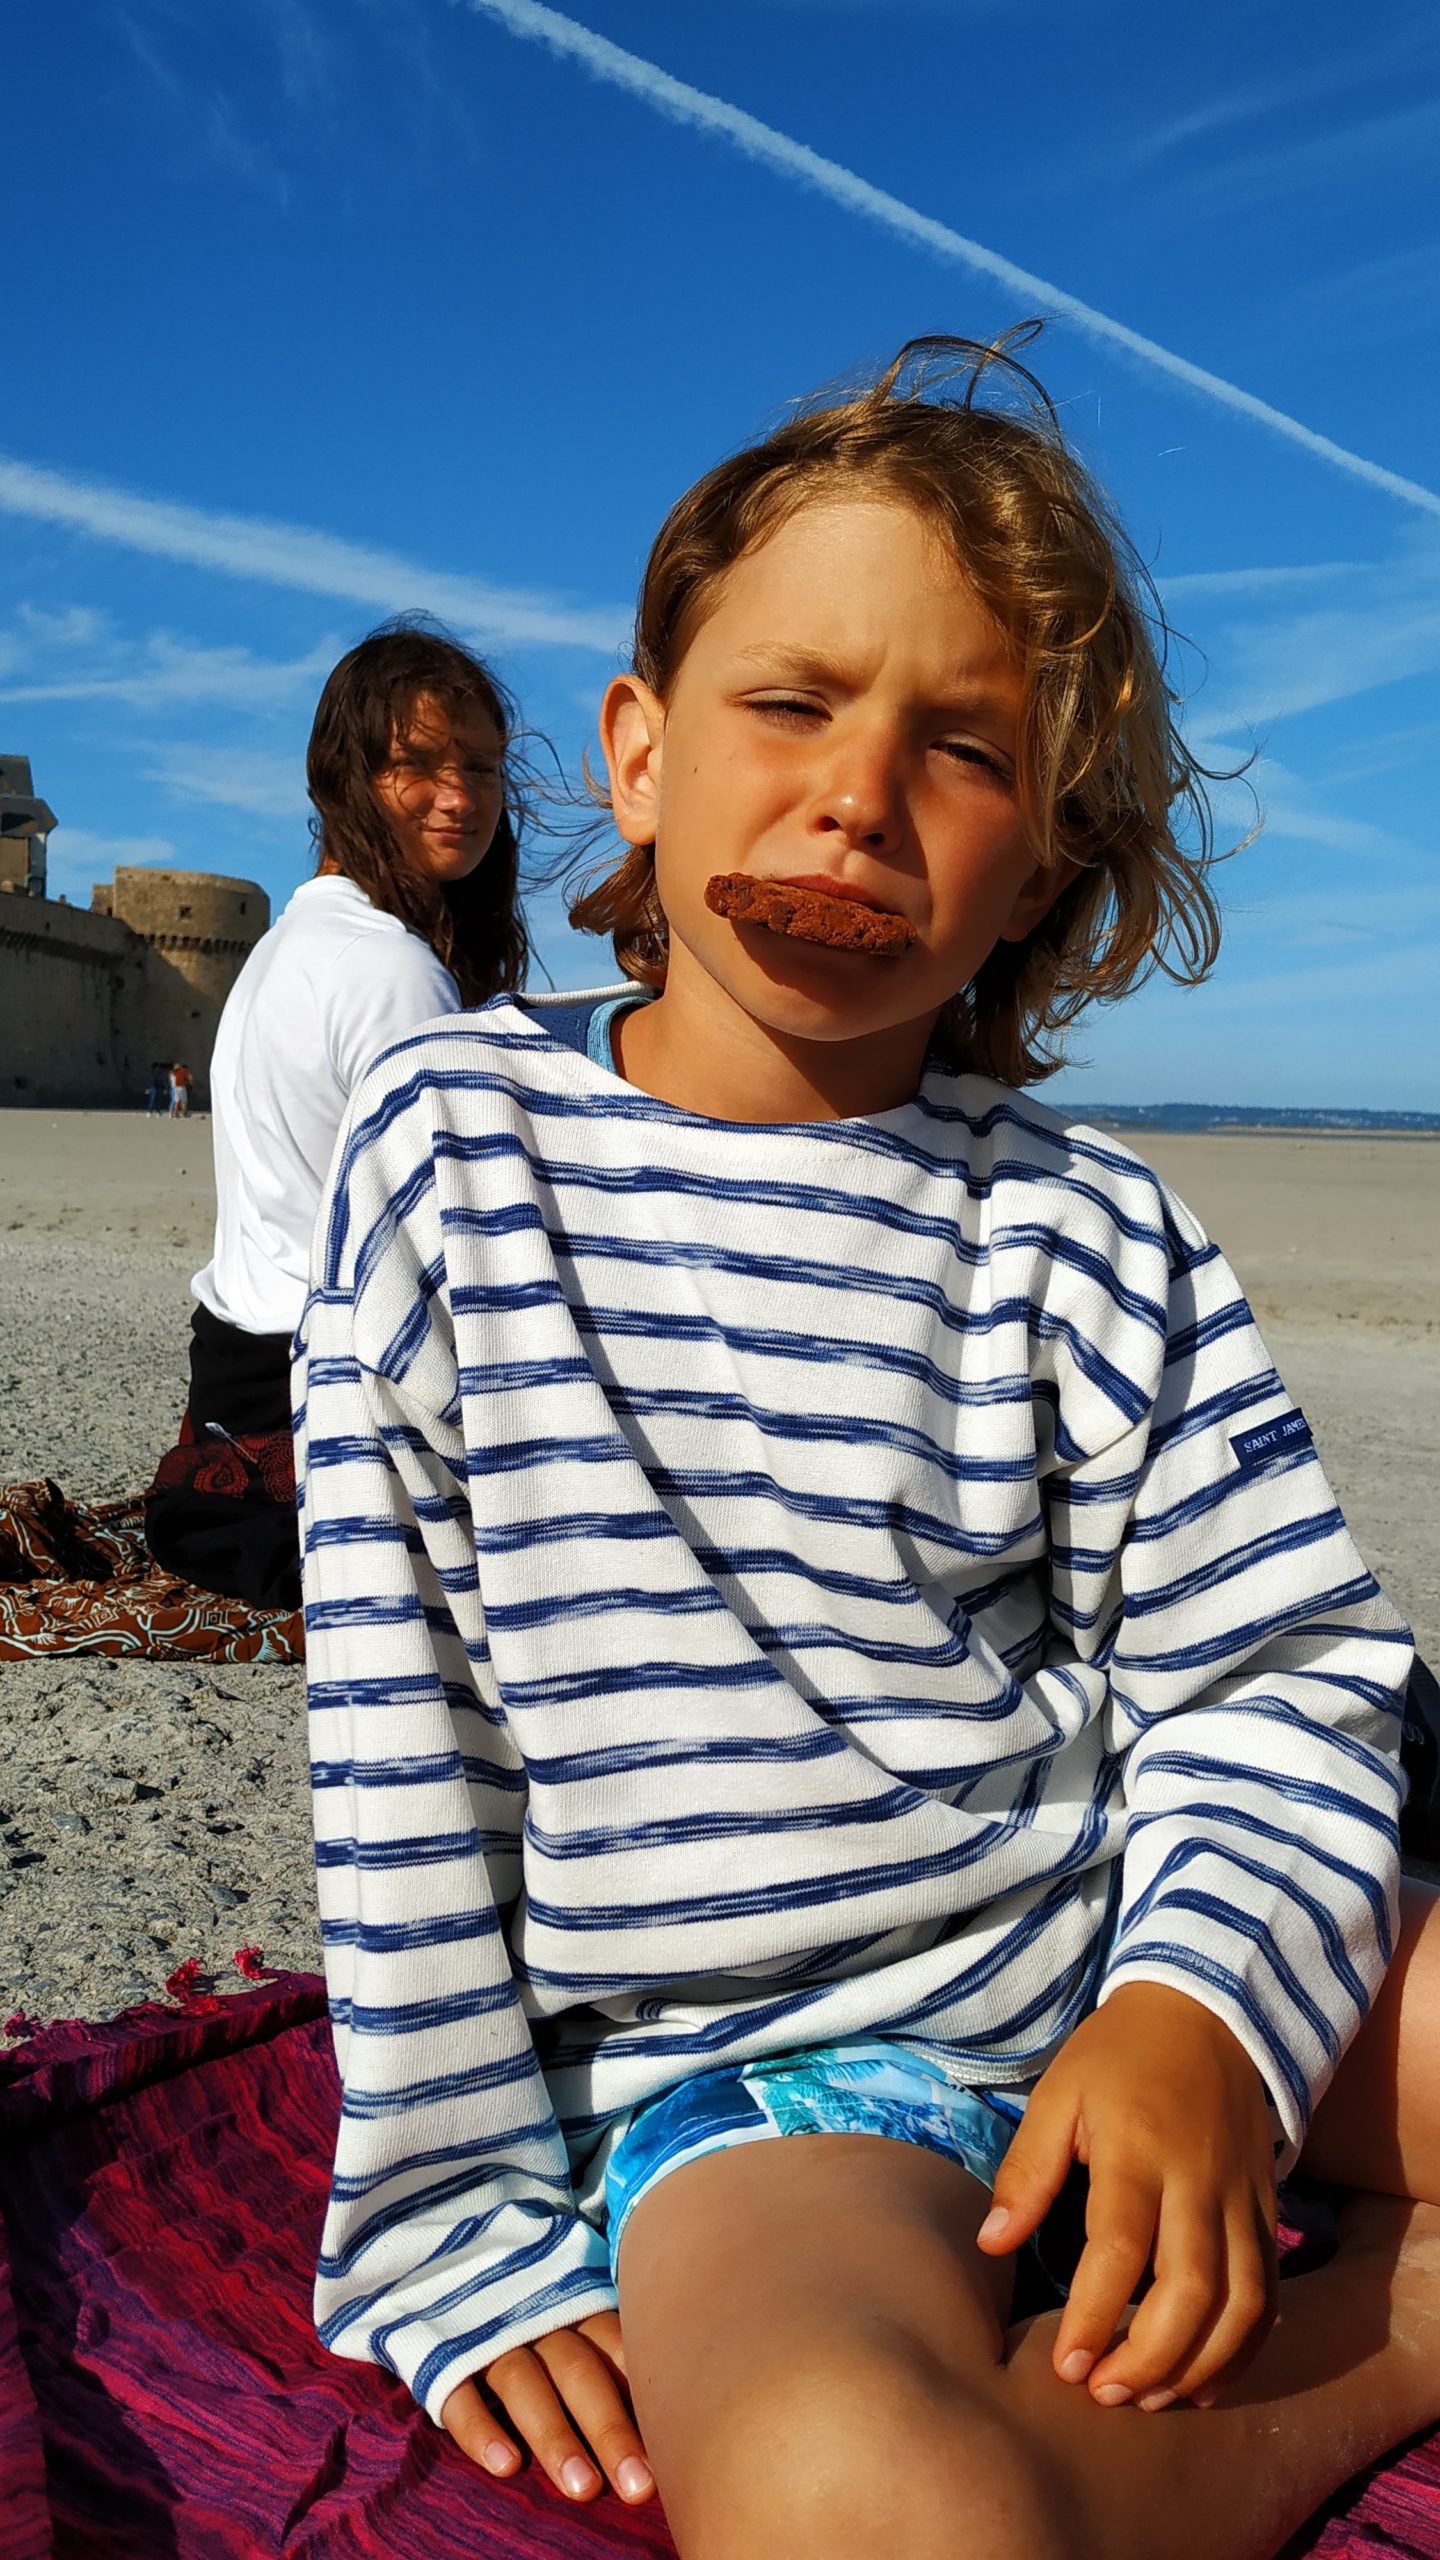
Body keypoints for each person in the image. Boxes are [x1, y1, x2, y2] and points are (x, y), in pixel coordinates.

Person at [294, 336, 1440, 2560]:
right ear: (638, 757)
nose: (858, 796)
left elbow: (1281, 1676)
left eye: (964, 748)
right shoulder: (455, 1151)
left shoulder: (1088, 1227)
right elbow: (401, 1731)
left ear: (1041, 865)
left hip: (1121, 1921)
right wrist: (448, 2212)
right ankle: (1397, 2327)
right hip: (771, 2079)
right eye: (793, 703)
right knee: (862, 2498)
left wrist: (1202, 2013)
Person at [144, 618, 529, 1614]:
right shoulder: (389, 970)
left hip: (232, 1388)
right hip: (318, 1409)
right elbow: (454, 1252)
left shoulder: (291, 945)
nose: (461, 795)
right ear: (343, 778)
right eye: (419, 764)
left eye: (482, 767)